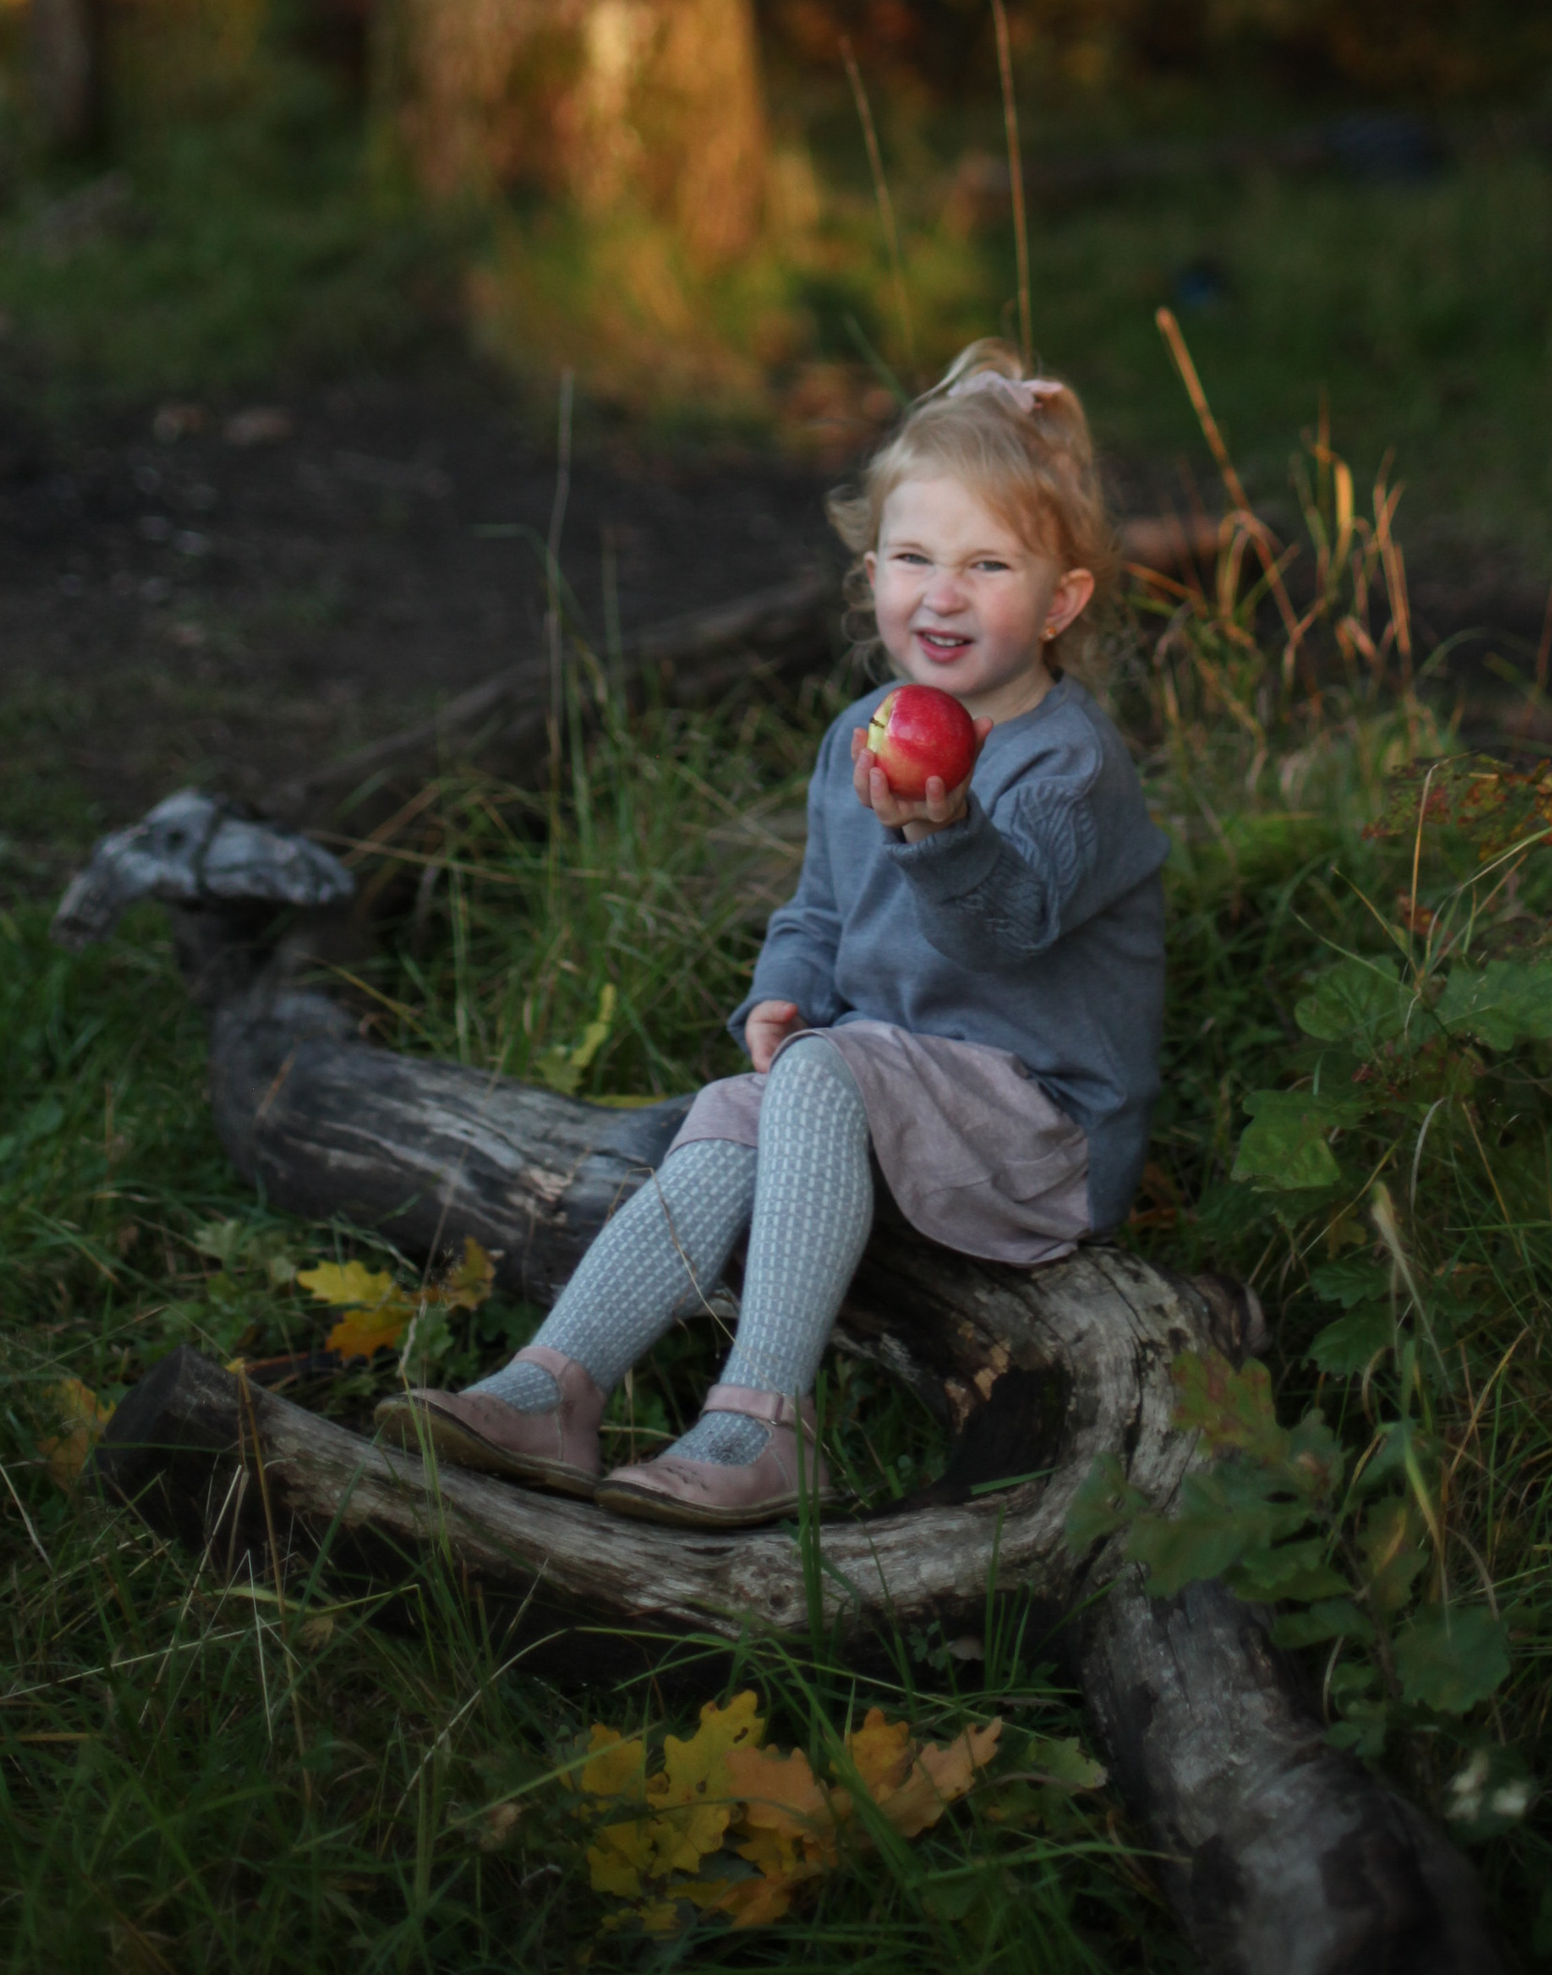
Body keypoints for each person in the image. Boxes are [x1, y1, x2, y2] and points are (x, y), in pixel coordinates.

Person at [386, 339, 1168, 1527]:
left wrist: (947, 832)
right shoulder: (864, 732)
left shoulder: (1068, 768)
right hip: (888, 1104)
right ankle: (556, 1383)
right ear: (869, 575)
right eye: (912, 558)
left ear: (1061, 599)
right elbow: (816, 908)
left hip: (1035, 1137)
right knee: (738, 1108)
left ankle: (762, 1426)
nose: (941, 594)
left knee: (822, 1074)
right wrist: (784, 987)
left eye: (987, 565)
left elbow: (1004, 930)